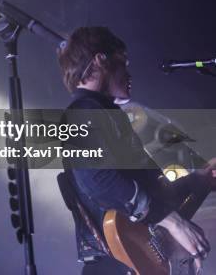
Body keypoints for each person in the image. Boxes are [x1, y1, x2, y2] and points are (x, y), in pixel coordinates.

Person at [57, 26, 216, 275]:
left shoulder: (105, 113)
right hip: (116, 265)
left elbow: (150, 190)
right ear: (101, 59)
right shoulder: (83, 111)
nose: (129, 73)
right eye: (124, 61)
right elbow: (100, 180)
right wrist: (172, 222)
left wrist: (197, 180)